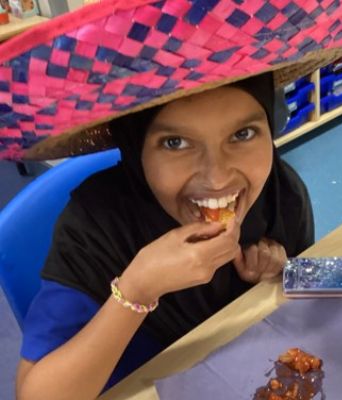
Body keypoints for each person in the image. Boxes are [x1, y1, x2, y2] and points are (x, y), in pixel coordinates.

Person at [15, 72, 314, 399]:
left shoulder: (280, 194)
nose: (217, 178)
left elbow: (316, 297)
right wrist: (138, 290)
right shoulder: (97, 227)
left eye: (242, 134)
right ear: (135, 148)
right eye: (175, 143)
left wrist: (282, 273)